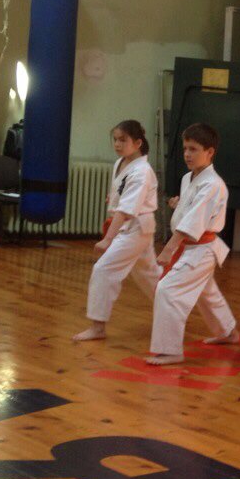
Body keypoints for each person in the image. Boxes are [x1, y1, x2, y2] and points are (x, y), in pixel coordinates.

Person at [147, 123, 238, 365]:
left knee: (168, 290)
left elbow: (194, 222)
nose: (187, 154)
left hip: (201, 249)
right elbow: (194, 210)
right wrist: (180, 205)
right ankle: (228, 331)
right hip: (192, 247)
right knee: (207, 293)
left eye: (194, 149)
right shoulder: (189, 178)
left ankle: (170, 350)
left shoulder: (213, 184)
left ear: (210, 152)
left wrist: (168, 250)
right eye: (185, 148)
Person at [73, 121, 160, 342]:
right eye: (115, 139)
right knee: (149, 275)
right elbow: (123, 196)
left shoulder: (142, 171)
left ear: (138, 143)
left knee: (103, 269)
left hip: (136, 228)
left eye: (123, 140)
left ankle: (98, 327)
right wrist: (113, 200)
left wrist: (107, 239)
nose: (117, 144)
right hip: (134, 226)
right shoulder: (122, 162)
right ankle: (175, 308)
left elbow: (126, 210)